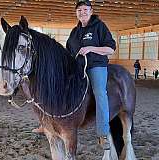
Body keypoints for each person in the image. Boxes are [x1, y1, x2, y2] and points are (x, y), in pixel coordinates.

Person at [66, 0, 116, 150]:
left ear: (91, 11)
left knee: (100, 93)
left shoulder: (99, 27)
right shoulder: (74, 32)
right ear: (76, 13)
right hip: (78, 68)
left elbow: (110, 49)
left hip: (96, 66)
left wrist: (91, 48)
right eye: (79, 10)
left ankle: (103, 134)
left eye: (85, 9)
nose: (82, 12)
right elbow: (68, 52)